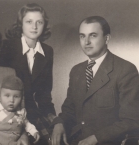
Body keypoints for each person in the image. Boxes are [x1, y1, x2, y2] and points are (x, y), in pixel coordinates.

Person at [51, 16, 139, 145]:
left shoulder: (125, 70)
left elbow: (131, 120)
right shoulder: (76, 71)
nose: (86, 42)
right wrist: (59, 123)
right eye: (82, 36)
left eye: (92, 35)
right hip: (75, 140)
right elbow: (69, 110)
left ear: (107, 38)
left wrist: (96, 138)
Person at [0, 3, 56, 145]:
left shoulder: (47, 52)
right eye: (29, 22)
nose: (34, 27)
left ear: (44, 26)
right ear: (21, 24)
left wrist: (54, 120)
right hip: (7, 111)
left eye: (39, 22)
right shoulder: (7, 47)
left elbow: (44, 94)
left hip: (32, 112)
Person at [0, 76, 40, 145]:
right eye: (7, 96)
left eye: (16, 96)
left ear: (21, 98)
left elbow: (26, 124)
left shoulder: (21, 112)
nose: (11, 100)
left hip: (13, 142)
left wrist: (34, 131)